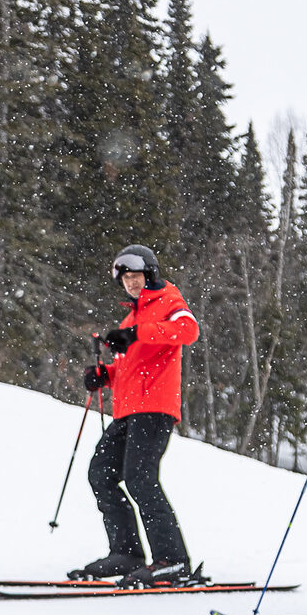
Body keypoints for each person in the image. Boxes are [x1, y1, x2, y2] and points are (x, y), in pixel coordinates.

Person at [72, 244, 201, 588]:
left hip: (155, 409)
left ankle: (173, 561)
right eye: (126, 279)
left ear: (151, 274)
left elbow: (188, 331)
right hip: (128, 411)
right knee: (100, 474)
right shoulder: (131, 316)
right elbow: (132, 367)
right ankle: (126, 553)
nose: (131, 283)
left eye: (135, 276)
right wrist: (105, 376)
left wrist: (137, 333)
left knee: (140, 478)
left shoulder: (169, 302)